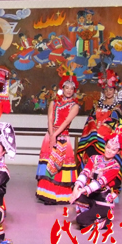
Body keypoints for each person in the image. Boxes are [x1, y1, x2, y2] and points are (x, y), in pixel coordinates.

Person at [76, 69, 122, 194]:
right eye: (106, 89)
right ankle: (86, 185)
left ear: (115, 90)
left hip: (106, 140)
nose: (108, 92)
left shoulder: (117, 109)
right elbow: (90, 119)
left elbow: (112, 123)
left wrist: (100, 134)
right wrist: (93, 131)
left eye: (111, 89)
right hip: (92, 137)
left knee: (108, 156)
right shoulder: (97, 105)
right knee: (90, 154)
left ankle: (104, 187)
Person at [70, 128, 122, 229]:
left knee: (80, 220)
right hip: (92, 196)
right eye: (108, 147)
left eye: (113, 150)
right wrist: (76, 188)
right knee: (78, 196)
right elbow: (85, 172)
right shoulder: (94, 158)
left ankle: (105, 221)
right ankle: (93, 217)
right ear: (105, 146)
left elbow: (100, 183)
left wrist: (82, 190)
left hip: (103, 200)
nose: (109, 151)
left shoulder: (115, 166)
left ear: (118, 151)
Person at [36, 73, 81, 205]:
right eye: (67, 88)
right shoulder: (54, 102)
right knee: (48, 163)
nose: (69, 91)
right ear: (62, 88)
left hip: (63, 137)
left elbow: (66, 122)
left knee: (59, 165)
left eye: (71, 88)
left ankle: (58, 195)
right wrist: (51, 135)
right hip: (50, 135)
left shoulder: (75, 106)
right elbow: (50, 118)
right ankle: (46, 193)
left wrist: (55, 135)